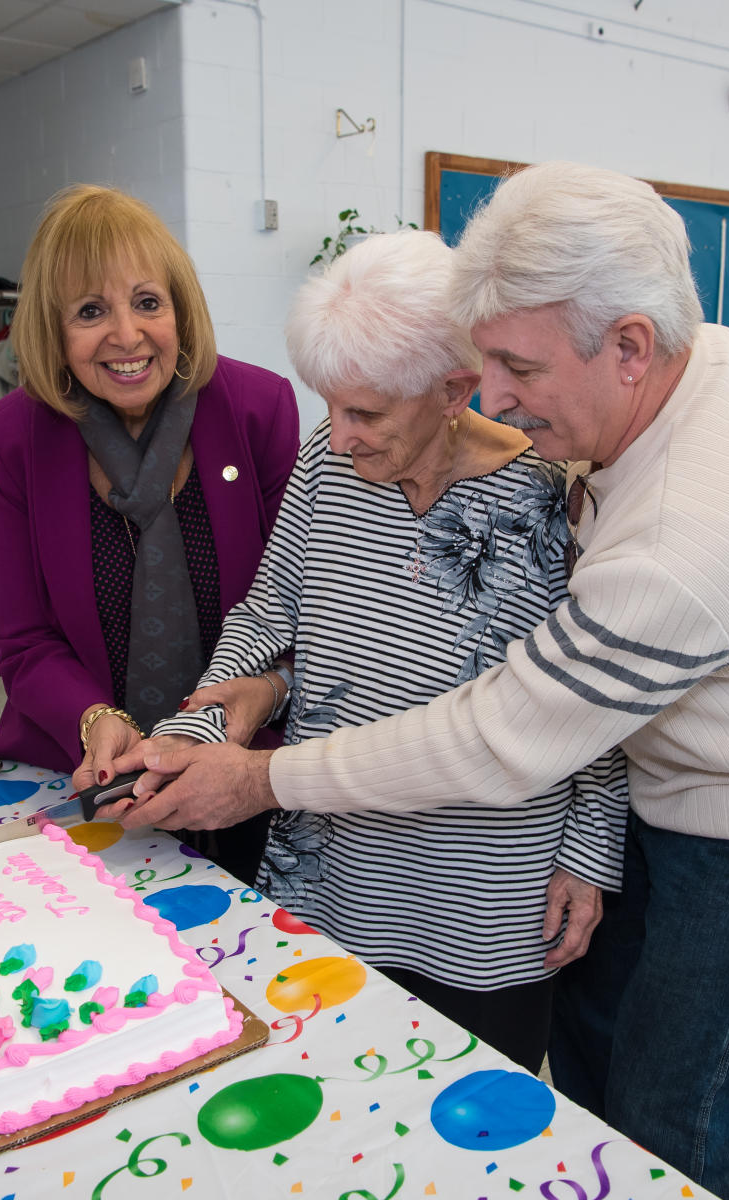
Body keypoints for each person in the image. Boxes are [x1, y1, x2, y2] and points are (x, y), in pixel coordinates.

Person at [106, 161, 729, 1200]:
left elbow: (516, 733)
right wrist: (217, 720)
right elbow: (276, 615)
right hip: (374, 847)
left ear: (628, 345)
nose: (495, 394)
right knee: (569, 1099)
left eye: (514, 368)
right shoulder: (690, 370)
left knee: (678, 1141)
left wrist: (258, 780)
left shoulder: (654, 528)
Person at [139, 231, 628, 1071]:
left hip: (485, 888)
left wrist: (590, 854)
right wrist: (197, 732)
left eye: (365, 412)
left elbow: (595, 703)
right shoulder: (326, 471)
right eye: (329, 403)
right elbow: (268, 614)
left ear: (453, 389)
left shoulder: (551, 501)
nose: (338, 435)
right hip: (332, 866)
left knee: (469, 1117)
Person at [0, 184, 300, 883]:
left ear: (180, 309)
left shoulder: (258, 411)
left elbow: (297, 614)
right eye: (91, 311)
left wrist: (249, 706)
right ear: (53, 331)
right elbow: (21, 638)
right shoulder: (12, 439)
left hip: (242, 768)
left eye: (148, 302)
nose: (127, 335)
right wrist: (92, 718)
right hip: (92, 774)